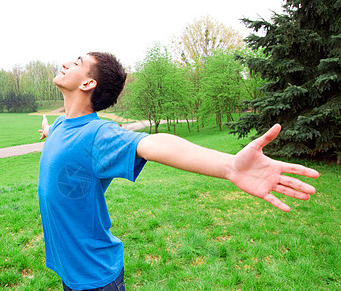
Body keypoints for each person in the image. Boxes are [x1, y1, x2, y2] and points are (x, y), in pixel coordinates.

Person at [37, 52, 319, 291]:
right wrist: (49, 132)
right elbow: (66, 144)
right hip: (70, 267)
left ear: (88, 82)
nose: (66, 64)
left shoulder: (98, 135)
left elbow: (153, 144)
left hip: (94, 275)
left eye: (76, 62)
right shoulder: (63, 125)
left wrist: (230, 166)